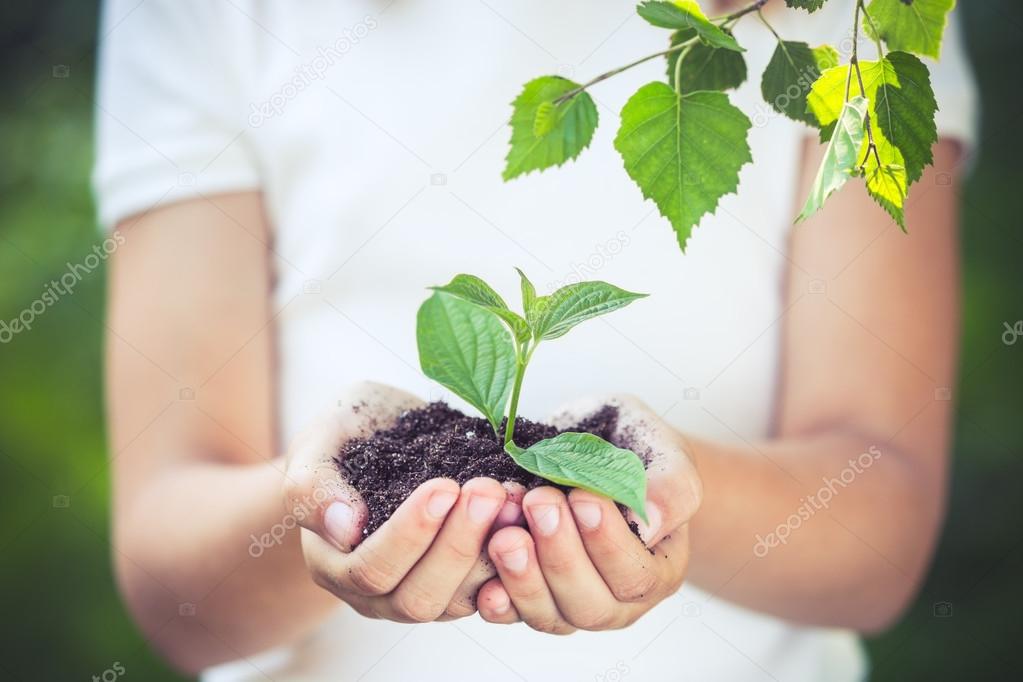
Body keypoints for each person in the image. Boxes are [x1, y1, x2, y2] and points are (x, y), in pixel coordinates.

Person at [94, 0, 977, 679]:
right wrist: (312, 510)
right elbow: (173, 586)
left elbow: (879, 540)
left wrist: (663, 499)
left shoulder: (854, 26)